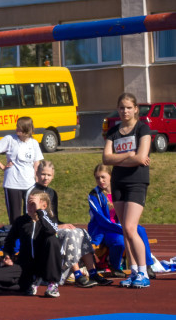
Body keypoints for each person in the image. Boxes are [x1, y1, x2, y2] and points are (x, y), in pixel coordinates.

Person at [31, 160, 111, 287]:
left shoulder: (52, 193)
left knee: (79, 231)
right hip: (40, 231)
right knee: (69, 234)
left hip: (53, 227)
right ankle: (77, 274)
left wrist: (65, 224)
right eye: (43, 174)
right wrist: (57, 226)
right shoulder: (32, 191)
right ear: (37, 173)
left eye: (49, 175)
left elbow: (54, 217)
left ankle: (93, 272)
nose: (46, 177)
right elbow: (33, 219)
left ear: (53, 175)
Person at [102, 92, 153, 289]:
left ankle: (143, 271)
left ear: (135, 109)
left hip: (136, 182)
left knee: (132, 228)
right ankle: (133, 272)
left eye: (128, 107)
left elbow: (141, 158)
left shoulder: (143, 129)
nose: (125, 111)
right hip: (118, 182)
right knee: (125, 230)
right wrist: (128, 154)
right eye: (121, 107)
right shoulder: (113, 132)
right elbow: (106, 159)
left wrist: (122, 156)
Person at [0, 190, 62, 298]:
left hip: (43, 264)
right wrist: (8, 256)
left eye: (33, 204)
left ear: (44, 205)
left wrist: (39, 212)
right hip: (25, 265)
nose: (29, 206)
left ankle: (52, 283)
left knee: (52, 240)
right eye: (28, 203)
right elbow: (9, 241)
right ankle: (29, 284)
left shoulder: (49, 219)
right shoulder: (21, 221)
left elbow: (51, 231)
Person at [88, 163, 154, 280]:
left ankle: (147, 265)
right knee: (120, 241)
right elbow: (101, 220)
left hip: (120, 226)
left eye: (103, 177)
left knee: (140, 230)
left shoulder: (118, 192)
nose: (100, 180)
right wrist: (122, 228)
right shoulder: (94, 195)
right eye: (97, 178)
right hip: (105, 230)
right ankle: (115, 266)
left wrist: (124, 227)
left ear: (110, 176)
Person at [0, 116, 43, 225]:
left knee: (30, 216)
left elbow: (37, 163)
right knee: (15, 219)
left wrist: (37, 180)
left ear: (27, 129)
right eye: (17, 127)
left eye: (19, 128)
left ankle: (28, 240)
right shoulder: (10, 139)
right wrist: (3, 166)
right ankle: (16, 240)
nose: (16, 129)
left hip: (29, 184)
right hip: (12, 183)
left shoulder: (34, 143)